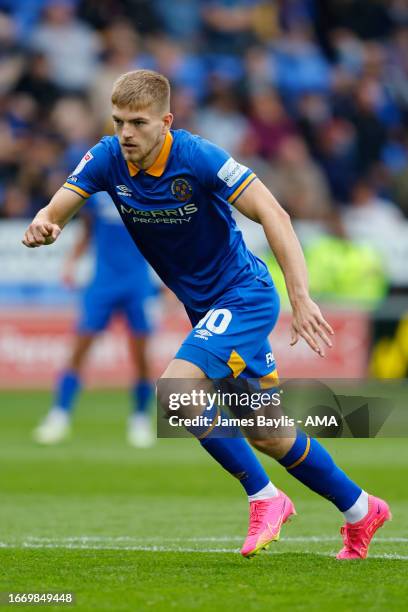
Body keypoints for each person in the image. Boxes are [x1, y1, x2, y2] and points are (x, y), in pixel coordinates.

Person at [22, 69, 391, 560]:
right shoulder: (107, 158)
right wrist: (45, 223)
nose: (126, 133)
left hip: (244, 296)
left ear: (166, 122)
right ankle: (362, 510)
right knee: (267, 432)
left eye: (138, 122)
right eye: (118, 122)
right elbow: (58, 208)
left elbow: (273, 213)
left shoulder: (198, 156)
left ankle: (266, 498)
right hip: (206, 310)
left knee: (176, 391)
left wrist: (301, 296)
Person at [33, 189, 156, 448]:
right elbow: (88, 232)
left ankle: (140, 418)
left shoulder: (148, 191)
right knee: (80, 349)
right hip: (103, 282)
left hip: (137, 281)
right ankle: (59, 415)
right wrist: (72, 261)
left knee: (142, 355)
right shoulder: (99, 193)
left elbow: (163, 239)